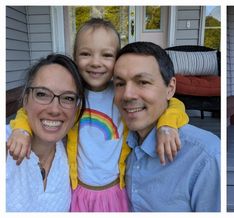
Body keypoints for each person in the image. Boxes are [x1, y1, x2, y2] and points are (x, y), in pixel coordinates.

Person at [7, 18, 189, 212]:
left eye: (107, 55)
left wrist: (167, 125)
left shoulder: (121, 94)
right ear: (75, 58)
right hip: (78, 190)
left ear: (117, 61)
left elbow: (172, 104)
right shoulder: (72, 94)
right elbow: (31, 108)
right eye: (86, 54)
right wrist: (22, 130)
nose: (95, 63)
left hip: (115, 190)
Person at [113, 41, 220, 212]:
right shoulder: (116, 141)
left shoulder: (204, 157)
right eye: (119, 84)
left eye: (142, 82)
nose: (127, 95)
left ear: (170, 88)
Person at [6, 54, 85, 211]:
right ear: (26, 100)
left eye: (68, 98)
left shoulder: (73, 150)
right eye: (42, 94)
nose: (54, 110)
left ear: (76, 109)